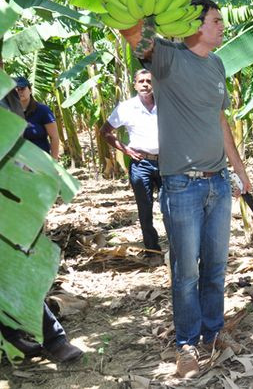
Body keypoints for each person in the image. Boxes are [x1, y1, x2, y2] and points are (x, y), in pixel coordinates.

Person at [120, 0, 252, 379]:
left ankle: (213, 333)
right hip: (181, 185)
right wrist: (147, 6)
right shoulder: (167, 58)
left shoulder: (216, 63)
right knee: (186, 272)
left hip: (217, 182)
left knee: (215, 267)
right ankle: (187, 344)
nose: (222, 26)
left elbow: (219, 120)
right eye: (215, 20)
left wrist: (240, 172)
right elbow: (132, 35)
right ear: (194, 24)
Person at [0, 86, 82, 363]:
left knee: (15, 265)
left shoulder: (7, 92)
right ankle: (13, 336)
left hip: (8, 189)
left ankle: (54, 339)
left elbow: (14, 135)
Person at [100, 69, 162, 266]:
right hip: (141, 163)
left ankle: (177, 248)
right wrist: (126, 150)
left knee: (171, 206)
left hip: (166, 162)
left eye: (149, 81)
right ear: (134, 84)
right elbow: (105, 132)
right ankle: (152, 250)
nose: (145, 84)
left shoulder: (166, 103)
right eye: (141, 81)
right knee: (145, 209)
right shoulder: (126, 108)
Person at [14, 76, 60, 160]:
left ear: (30, 90)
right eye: (17, 89)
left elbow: (54, 137)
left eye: (22, 89)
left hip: (40, 161)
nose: (20, 92)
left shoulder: (43, 110)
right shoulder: (10, 111)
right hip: (18, 162)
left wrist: (54, 162)